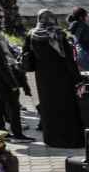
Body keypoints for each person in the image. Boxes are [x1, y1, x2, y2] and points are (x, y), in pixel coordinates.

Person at [21, 9, 80, 141]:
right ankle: (68, 138)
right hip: (62, 77)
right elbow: (69, 59)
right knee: (65, 106)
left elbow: (26, 54)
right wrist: (78, 79)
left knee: (48, 107)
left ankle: (51, 138)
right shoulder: (59, 34)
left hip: (42, 77)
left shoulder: (31, 34)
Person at [68, 6, 89, 71]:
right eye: (87, 16)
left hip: (79, 54)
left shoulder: (75, 27)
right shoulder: (83, 26)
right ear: (81, 18)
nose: (88, 18)